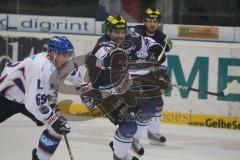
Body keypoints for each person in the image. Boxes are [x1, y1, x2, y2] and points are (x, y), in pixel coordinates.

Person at [84, 15, 169, 160]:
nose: (120, 36)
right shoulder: (103, 48)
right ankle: (120, 155)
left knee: (154, 104)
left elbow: (146, 41)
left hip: (122, 86)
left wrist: (154, 50)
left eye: (122, 32)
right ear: (108, 31)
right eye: (116, 32)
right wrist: (151, 72)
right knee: (128, 124)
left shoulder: (131, 36)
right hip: (104, 91)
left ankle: (129, 141)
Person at [0, 36, 73, 160]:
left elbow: (40, 97)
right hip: (5, 97)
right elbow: (34, 104)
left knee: (58, 128)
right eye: (63, 55)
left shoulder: (55, 63)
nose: (67, 59)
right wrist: (52, 119)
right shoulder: (42, 68)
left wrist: (53, 113)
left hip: (26, 96)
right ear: (53, 53)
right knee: (55, 123)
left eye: (69, 55)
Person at [129, 8, 173, 145]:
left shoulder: (163, 39)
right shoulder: (134, 32)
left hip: (150, 76)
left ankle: (153, 133)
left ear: (159, 22)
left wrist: (163, 76)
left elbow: (162, 60)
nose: (152, 24)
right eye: (149, 20)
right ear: (144, 21)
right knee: (135, 108)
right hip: (133, 75)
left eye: (155, 21)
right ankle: (130, 136)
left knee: (157, 104)